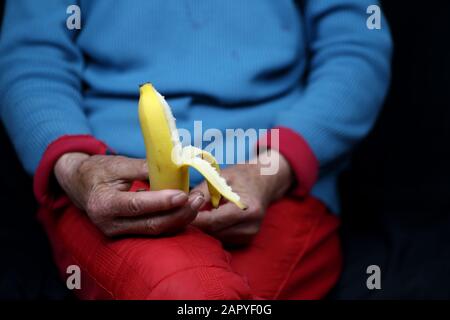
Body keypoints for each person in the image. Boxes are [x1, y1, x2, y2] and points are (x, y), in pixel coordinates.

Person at [0, 0, 392, 299]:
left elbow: (355, 45)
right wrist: (76, 168)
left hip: (275, 182)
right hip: (109, 186)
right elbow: (32, 56)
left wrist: (271, 169)